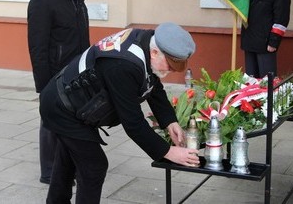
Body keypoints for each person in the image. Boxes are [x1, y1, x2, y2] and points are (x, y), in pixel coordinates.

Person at [39, 22, 200, 203]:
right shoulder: (122, 65)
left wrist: (170, 121)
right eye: (169, 66)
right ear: (155, 52)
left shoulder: (150, 42)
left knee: (69, 156)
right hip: (62, 108)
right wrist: (167, 151)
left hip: (76, 104)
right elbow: (133, 123)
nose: (169, 71)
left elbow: (153, 86)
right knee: (94, 166)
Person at [27, 0, 90, 185]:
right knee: (51, 123)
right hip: (55, 75)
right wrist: (44, 86)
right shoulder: (42, 1)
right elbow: (37, 48)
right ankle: (50, 172)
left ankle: (70, 166)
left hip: (78, 71)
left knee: (76, 120)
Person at [241, 0, 291, 78]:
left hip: (266, 43)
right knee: (250, 79)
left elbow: (281, 19)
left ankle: (268, 97)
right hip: (249, 39)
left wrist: (273, 41)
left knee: (266, 80)